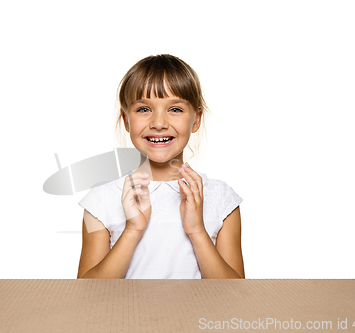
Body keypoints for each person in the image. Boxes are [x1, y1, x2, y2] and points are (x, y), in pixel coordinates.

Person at [77, 54, 244, 279]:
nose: (158, 123)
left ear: (196, 120)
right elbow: (86, 293)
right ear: (126, 120)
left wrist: (197, 231)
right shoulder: (100, 200)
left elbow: (236, 294)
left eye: (175, 109)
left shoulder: (222, 199)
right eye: (144, 109)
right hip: (127, 315)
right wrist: (132, 230)